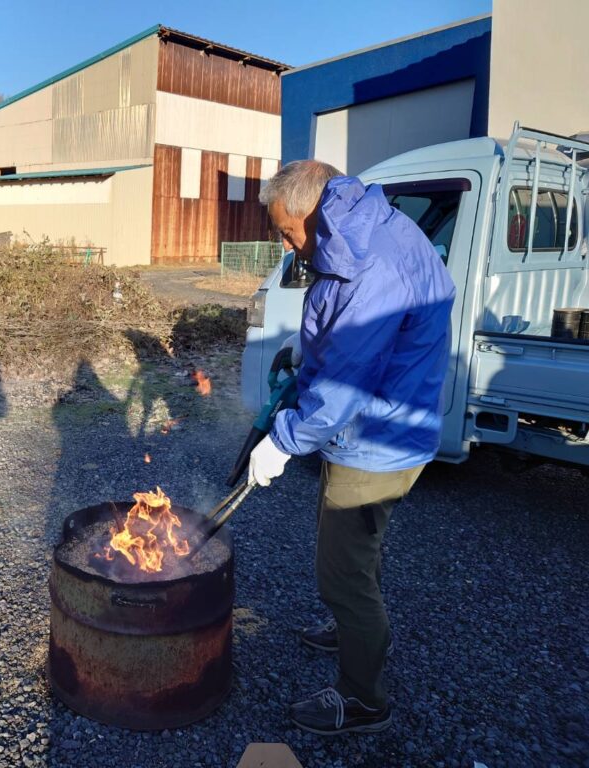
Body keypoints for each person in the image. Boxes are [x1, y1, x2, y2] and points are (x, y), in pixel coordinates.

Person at [250, 160, 456, 735]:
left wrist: (282, 441)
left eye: (287, 231)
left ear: (311, 212)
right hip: (391, 427)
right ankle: (349, 626)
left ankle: (363, 698)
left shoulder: (368, 266)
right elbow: (352, 337)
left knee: (341, 574)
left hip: (375, 441)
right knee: (360, 551)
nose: (287, 244)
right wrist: (308, 344)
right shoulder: (371, 227)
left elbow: (343, 389)